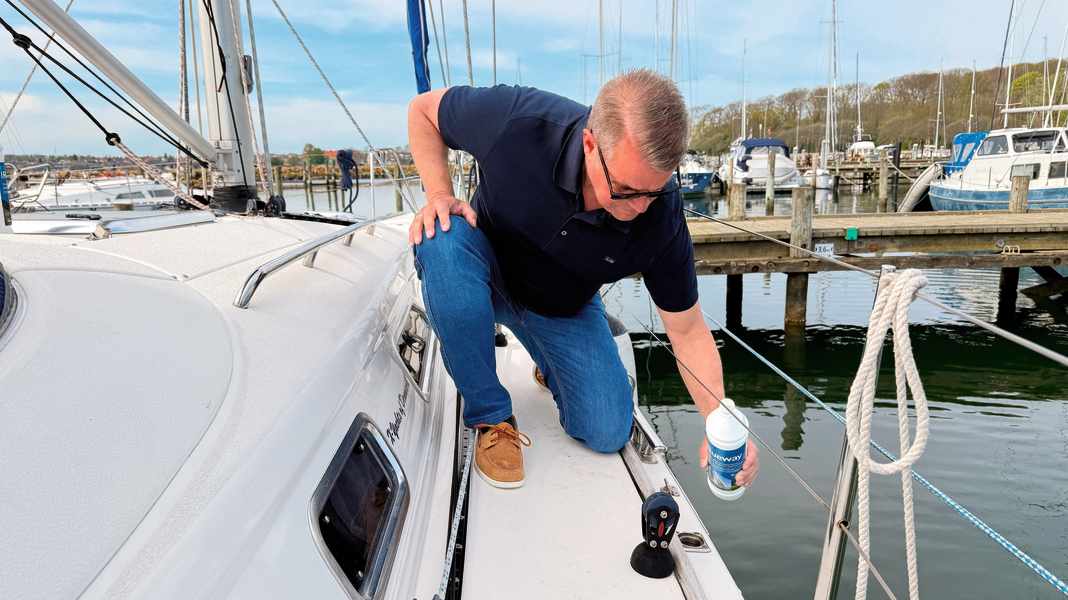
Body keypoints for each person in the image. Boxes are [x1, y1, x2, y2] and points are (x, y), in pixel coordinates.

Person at [407, 69, 759, 489]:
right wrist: (439, 195)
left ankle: (550, 361)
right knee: (441, 238)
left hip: (561, 304)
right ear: (590, 144)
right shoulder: (518, 120)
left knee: (608, 430)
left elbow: (687, 331)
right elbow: (423, 111)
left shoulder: (661, 213)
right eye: (628, 189)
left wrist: (719, 418)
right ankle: (491, 415)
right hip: (486, 271)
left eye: (655, 190)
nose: (641, 207)